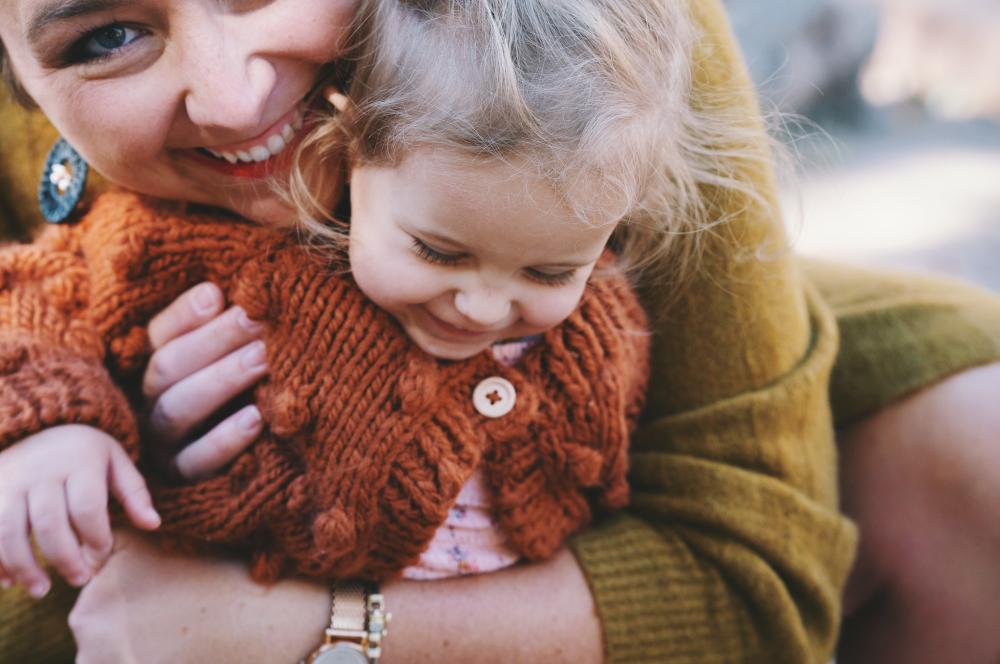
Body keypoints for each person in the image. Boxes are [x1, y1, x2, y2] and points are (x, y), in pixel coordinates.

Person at [0, 2, 997, 664]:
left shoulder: (595, 41)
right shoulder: (112, 256)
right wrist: (95, 447)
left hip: (697, 437)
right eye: (104, 36)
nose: (230, 96)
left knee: (977, 444)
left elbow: (753, 586)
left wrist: (315, 631)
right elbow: (37, 331)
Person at [0, 0, 663, 588]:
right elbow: (31, 301)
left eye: (548, 274)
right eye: (108, 35)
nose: (232, 101)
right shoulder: (149, 245)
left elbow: (727, 544)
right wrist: (58, 427)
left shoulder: (548, 146)